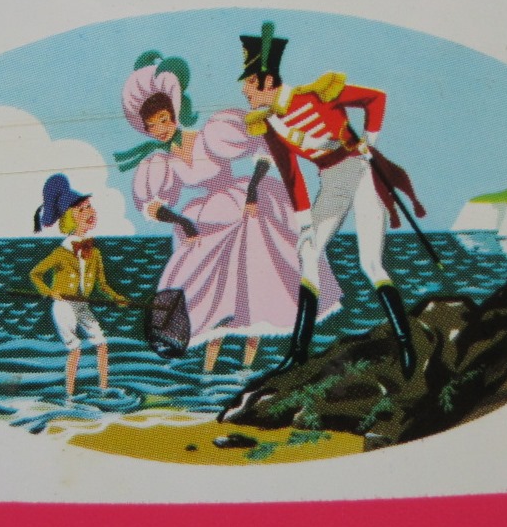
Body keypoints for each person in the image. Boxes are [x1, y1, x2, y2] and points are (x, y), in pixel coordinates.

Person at [115, 50, 340, 372]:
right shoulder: (160, 163)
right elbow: (151, 206)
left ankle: (248, 371)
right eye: (152, 126)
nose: (160, 129)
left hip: (243, 206)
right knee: (210, 297)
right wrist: (181, 221)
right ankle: (209, 373)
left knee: (255, 287)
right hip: (205, 218)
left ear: (174, 113)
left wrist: (252, 192)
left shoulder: (212, 134)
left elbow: (263, 148)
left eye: (163, 119)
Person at [236, 21, 425, 383]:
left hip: (361, 172)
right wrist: (306, 222)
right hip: (332, 182)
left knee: (370, 263)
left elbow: (376, 98)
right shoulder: (268, 125)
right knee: (308, 253)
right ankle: (298, 353)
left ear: (267, 82)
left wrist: (369, 141)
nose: (244, 91)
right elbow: (291, 175)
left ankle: (406, 344)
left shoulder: (318, 94)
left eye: (248, 83)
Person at [29, 174, 128, 401]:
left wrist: (116, 297)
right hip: (64, 305)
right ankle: (70, 395)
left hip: (82, 305)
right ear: (70, 219)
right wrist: (49, 292)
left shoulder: (94, 252)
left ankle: (104, 390)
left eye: (90, 207)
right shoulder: (61, 253)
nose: (90, 212)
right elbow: (35, 274)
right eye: (82, 210)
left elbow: (102, 284)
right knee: (76, 348)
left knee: (101, 343)